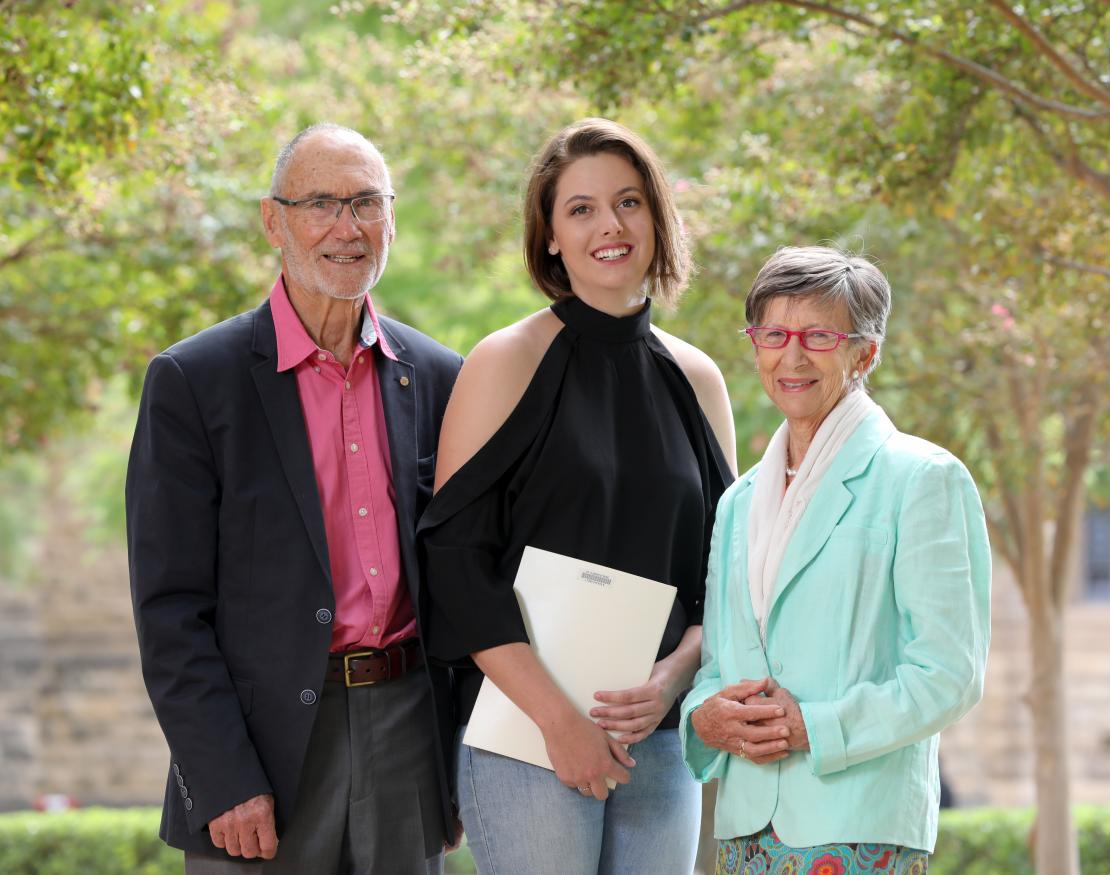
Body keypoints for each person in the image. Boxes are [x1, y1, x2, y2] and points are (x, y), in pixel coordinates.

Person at [126, 124, 462, 875]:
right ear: (273, 221)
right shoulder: (193, 382)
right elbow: (169, 608)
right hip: (259, 755)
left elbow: (469, 574)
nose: (348, 227)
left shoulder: (441, 376)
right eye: (320, 203)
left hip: (408, 733)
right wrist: (225, 776)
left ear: (392, 218)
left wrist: (461, 758)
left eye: (367, 203)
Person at [417, 117, 737, 874]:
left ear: (657, 217)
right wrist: (560, 720)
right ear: (551, 236)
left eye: (629, 202)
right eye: (581, 208)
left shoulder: (699, 379)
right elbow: (455, 563)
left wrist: (670, 681)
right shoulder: (506, 361)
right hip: (529, 734)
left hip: (658, 738)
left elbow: (726, 580)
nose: (610, 226)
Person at [682, 245, 991, 874]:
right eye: (774, 333)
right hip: (744, 827)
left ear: (865, 352)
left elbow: (949, 674)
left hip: (859, 825)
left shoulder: (923, 478)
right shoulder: (739, 501)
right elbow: (717, 662)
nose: (792, 355)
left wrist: (815, 727)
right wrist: (703, 715)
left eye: (819, 335)